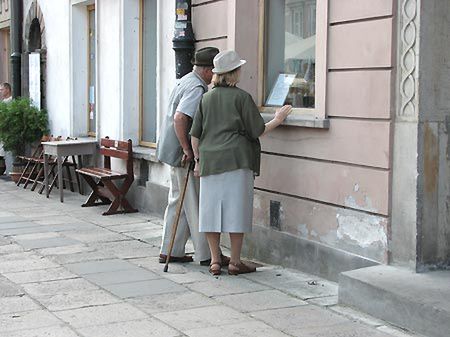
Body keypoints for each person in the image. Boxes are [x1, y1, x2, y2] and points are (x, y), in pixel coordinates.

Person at [190, 50, 292, 275]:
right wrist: (277, 119)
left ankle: (215, 261)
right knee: (237, 211)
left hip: (210, 161)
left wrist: (197, 161)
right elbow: (257, 130)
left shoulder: (206, 98)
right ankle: (235, 261)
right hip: (237, 160)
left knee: (210, 211)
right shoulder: (242, 98)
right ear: (234, 73)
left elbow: (195, 135)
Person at [157, 47, 228, 266]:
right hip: (181, 153)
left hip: (170, 149)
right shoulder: (197, 87)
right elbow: (180, 118)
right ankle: (206, 255)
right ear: (208, 71)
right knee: (194, 203)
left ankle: (171, 250)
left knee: (178, 201)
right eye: (215, 71)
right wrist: (188, 150)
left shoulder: (186, 79)